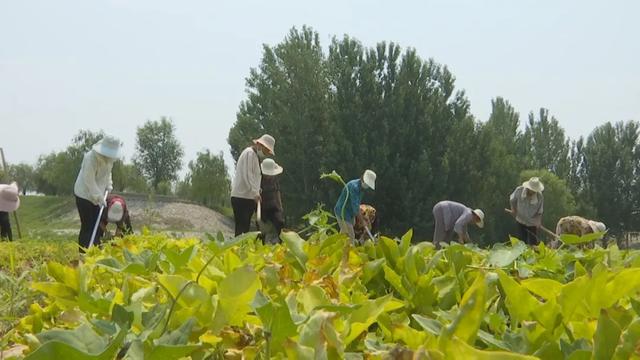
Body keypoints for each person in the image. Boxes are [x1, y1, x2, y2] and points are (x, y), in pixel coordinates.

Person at [74, 135, 121, 251]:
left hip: (98, 195)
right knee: (88, 226)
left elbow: (108, 173)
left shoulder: (110, 159)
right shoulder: (90, 158)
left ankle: (96, 251)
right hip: (84, 194)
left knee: (97, 225)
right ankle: (84, 253)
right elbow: (88, 180)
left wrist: (109, 185)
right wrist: (98, 196)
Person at [231, 134, 276, 236]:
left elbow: (254, 178)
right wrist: (255, 193)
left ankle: (241, 250)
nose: (266, 154)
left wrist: (257, 192)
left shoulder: (254, 157)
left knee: (244, 229)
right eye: (266, 151)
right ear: (260, 145)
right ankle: (238, 250)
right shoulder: (249, 154)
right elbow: (248, 175)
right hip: (242, 197)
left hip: (247, 197)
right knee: (242, 230)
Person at [334, 170, 376, 242]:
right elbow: (355, 208)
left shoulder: (361, 189)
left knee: (348, 228)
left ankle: (337, 244)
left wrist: (364, 220)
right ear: (362, 178)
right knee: (350, 236)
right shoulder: (354, 187)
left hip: (350, 213)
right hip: (342, 212)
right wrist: (362, 221)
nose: (367, 186)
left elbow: (357, 204)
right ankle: (349, 251)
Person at [509, 177, 544, 245]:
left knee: (533, 243)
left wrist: (538, 222)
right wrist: (513, 209)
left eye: (535, 191)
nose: (533, 192)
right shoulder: (519, 190)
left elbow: (540, 212)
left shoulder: (540, 197)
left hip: (532, 223)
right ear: (528, 188)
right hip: (520, 220)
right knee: (522, 243)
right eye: (532, 190)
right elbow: (512, 200)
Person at [259, 158, 284, 244]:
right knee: (261, 228)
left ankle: (282, 244)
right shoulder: (259, 179)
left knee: (280, 223)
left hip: (273, 206)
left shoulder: (275, 179)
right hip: (262, 206)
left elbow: (277, 192)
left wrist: (280, 208)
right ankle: (260, 246)